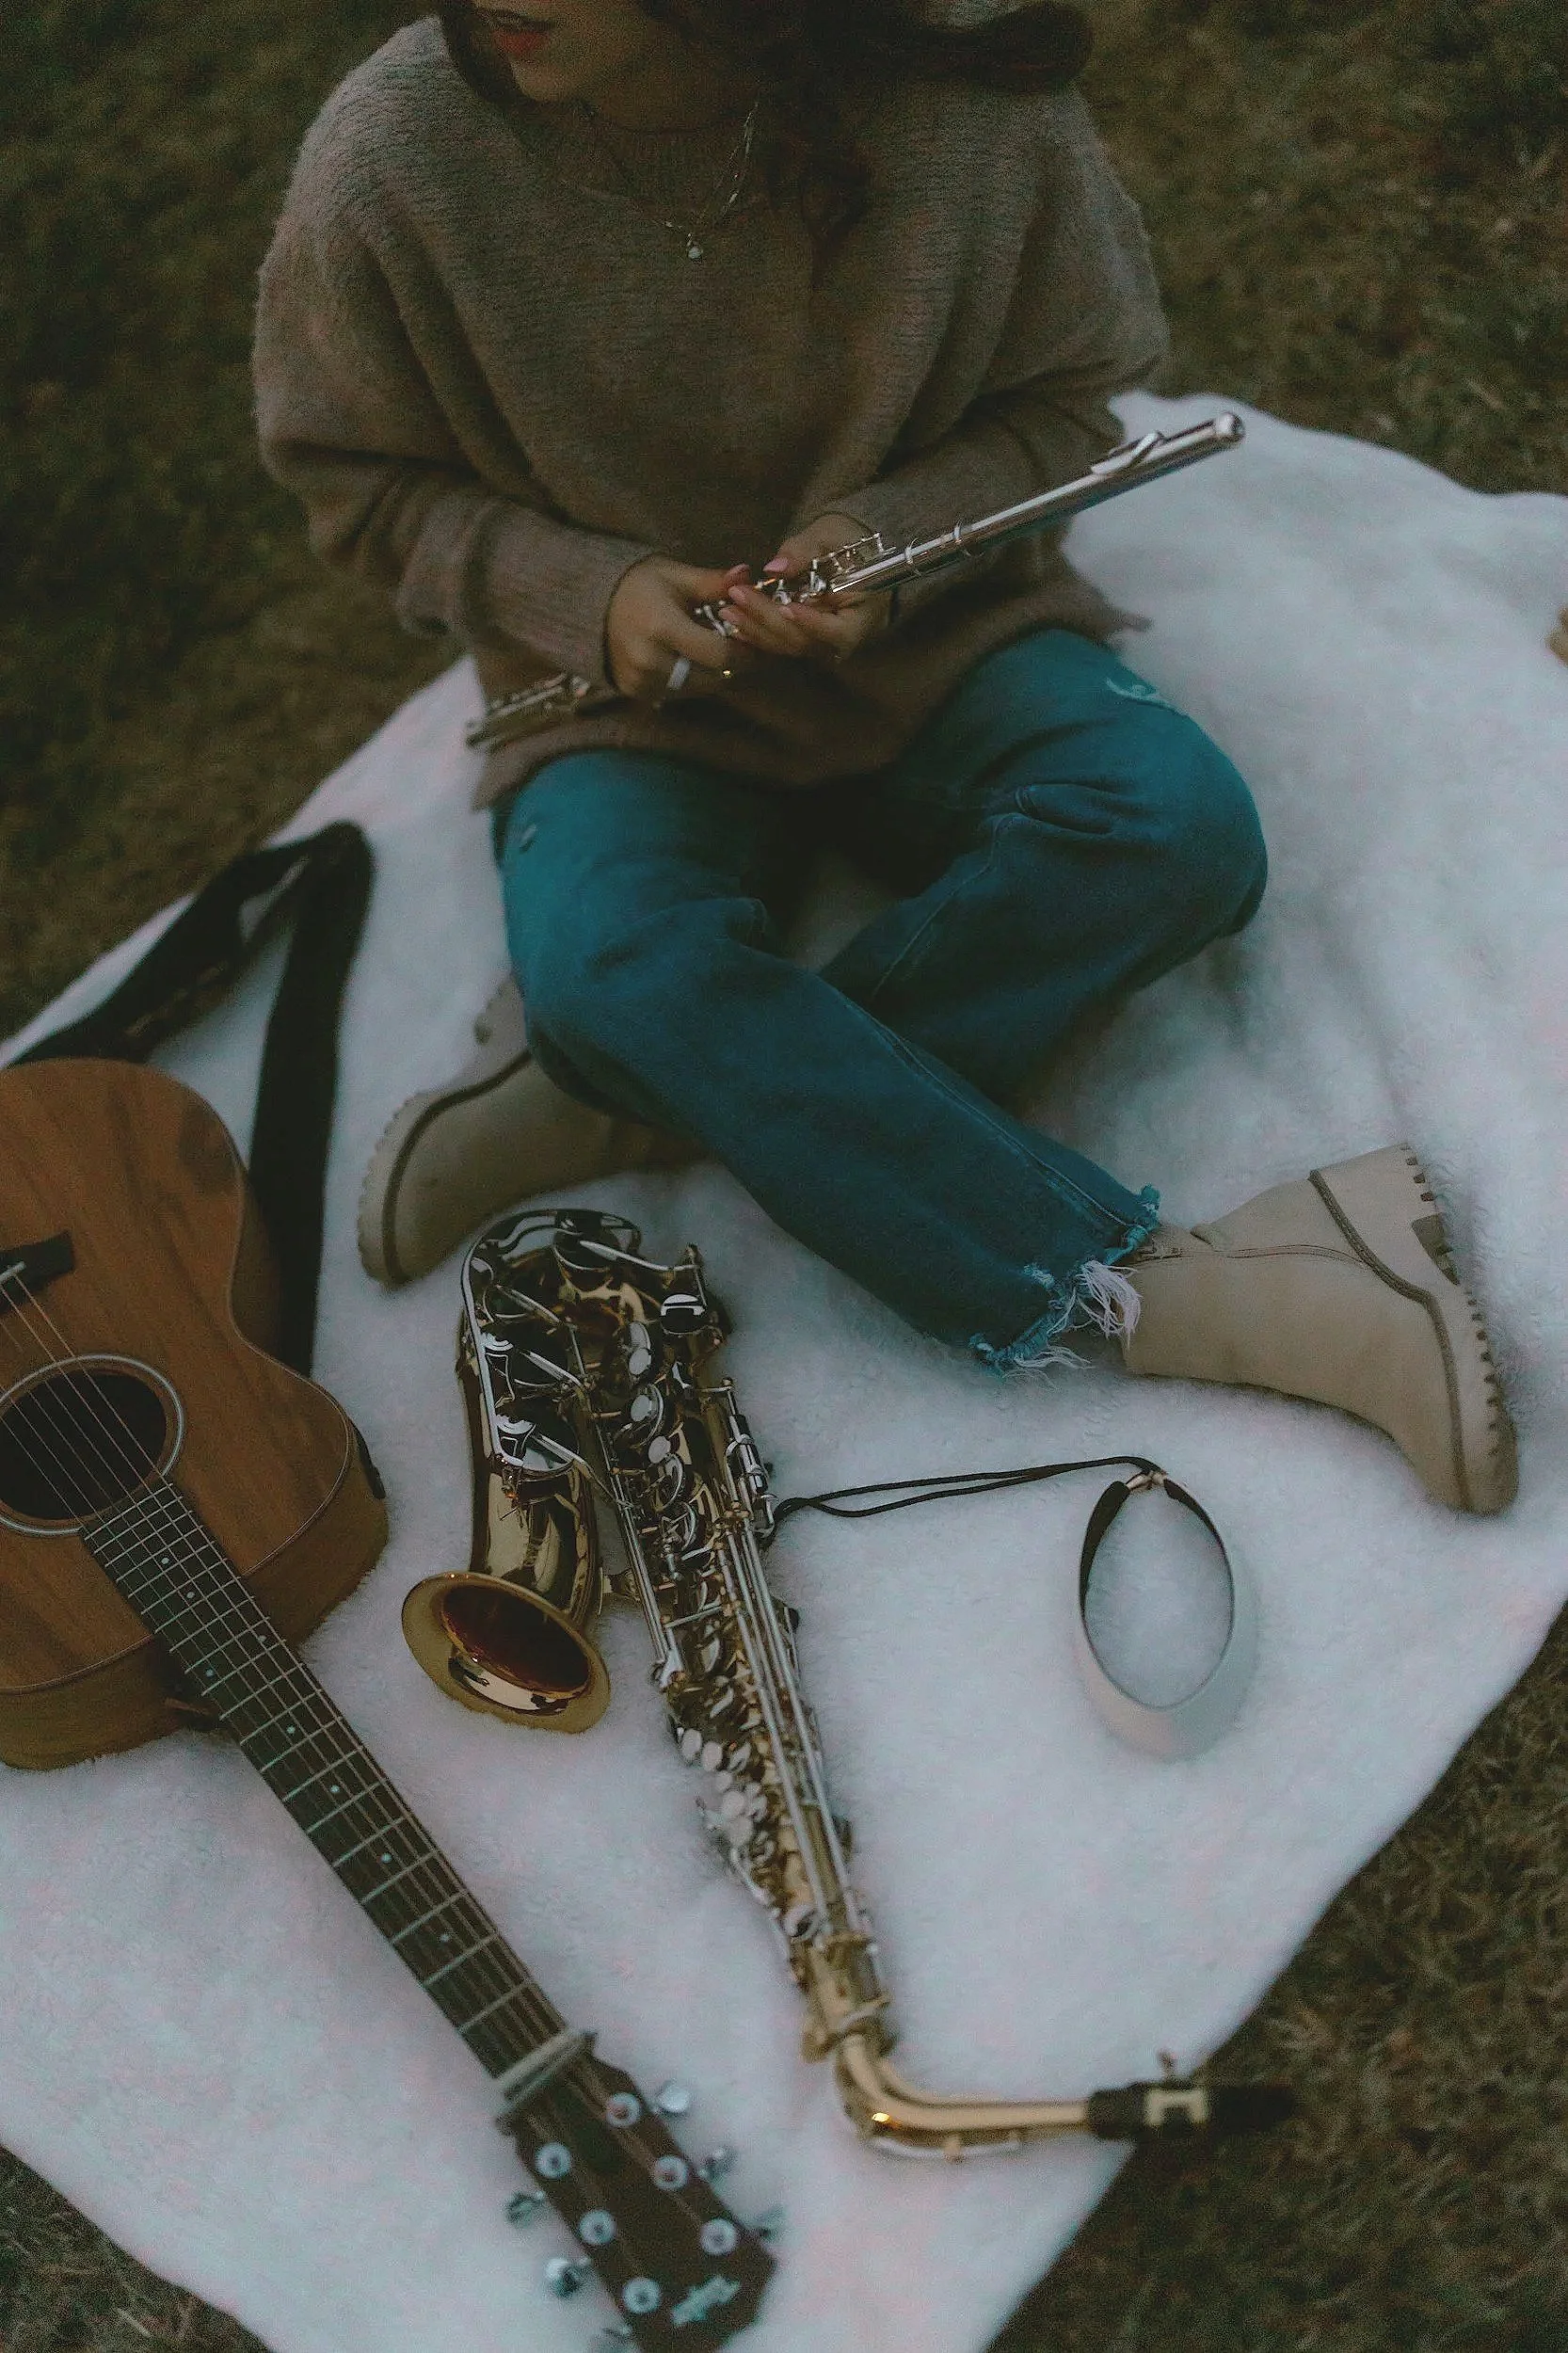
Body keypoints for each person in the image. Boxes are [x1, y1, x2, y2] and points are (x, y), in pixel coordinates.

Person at [254, 0, 1514, 1515]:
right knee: (621, 962)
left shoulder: (958, 93)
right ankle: (1186, 1296)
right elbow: (356, 482)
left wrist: (889, 540)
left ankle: (635, 1081)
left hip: (941, 635)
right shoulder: (391, 162)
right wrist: (586, 593)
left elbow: (1065, 407)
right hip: (623, 702)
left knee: (1169, 827)